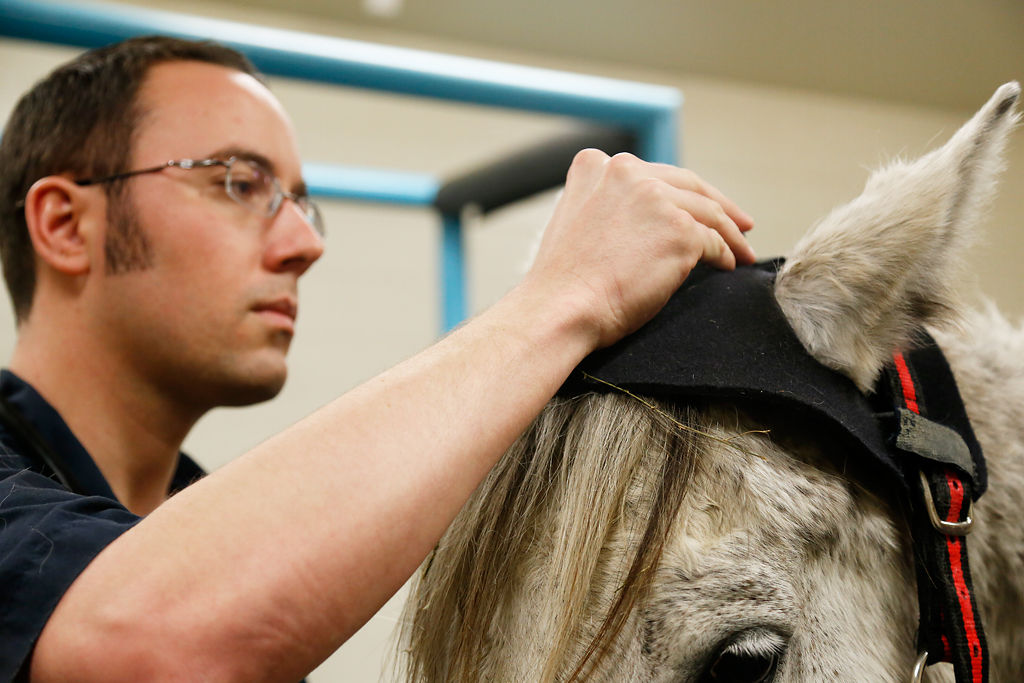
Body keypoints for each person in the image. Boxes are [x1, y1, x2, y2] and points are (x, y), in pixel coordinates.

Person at [0, 36, 755, 681]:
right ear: (66, 225)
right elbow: (150, 645)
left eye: (300, 202)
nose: (305, 243)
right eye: (238, 182)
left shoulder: (186, 522)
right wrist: (567, 294)